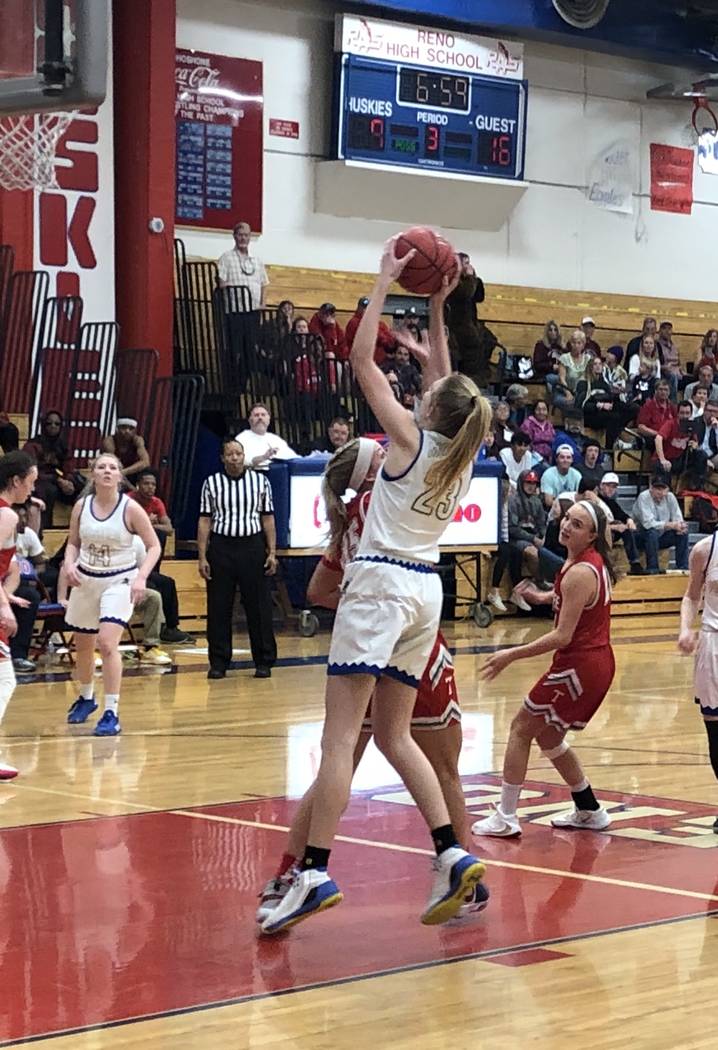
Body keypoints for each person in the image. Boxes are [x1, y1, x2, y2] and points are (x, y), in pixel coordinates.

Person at [262, 238, 490, 935]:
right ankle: (451, 851)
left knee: (338, 743)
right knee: (395, 736)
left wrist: (384, 285)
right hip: (427, 592)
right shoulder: (459, 451)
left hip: (382, 582)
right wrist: (438, 312)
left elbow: (361, 362)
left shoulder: (410, 441)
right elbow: (450, 388)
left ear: (429, 410)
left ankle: (313, 871)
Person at [258, 438, 489, 927]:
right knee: (440, 764)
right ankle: (459, 865)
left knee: (338, 759)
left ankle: (290, 872)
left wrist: (364, 606)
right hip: (417, 633)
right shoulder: (392, 495)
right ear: (370, 472)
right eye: (380, 455)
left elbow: (319, 590)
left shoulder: (349, 526)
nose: (391, 455)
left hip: (372, 629)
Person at [472, 500, 616, 837]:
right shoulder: (585, 564)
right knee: (549, 736)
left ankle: (506, 816)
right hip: (592, 662)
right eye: (567, 519)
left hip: (580, 664)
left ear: (592, 535)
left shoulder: (580, 571)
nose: (567, 526)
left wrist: (511, 654)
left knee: (520, 728)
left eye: (577, 524)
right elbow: (572, 602)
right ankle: (589, 807)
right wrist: (541, 597)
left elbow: (562, 635)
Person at [61, 453, 161, 736]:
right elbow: (73, 543)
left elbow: (154, 546)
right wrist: (69, 564)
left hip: (120, 579)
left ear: (120, 475)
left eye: (113, 467)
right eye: (101, 467)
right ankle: (87, 696)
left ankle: (111, 712)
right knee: (82, 646)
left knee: (107, 643)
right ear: (93, 473)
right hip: (86, 579)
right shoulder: (81, 506)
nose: (107, 471)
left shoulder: (130, 508)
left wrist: (141, 578)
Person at [198, 438, 277, 680]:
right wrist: (202, 555)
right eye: (230, 454)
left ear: (244, 456)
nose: (234, 458)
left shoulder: (260, 481)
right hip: (221, 547)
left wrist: (272, 551)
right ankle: (219, 662)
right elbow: (204, 521)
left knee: (259, 605)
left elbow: (268, 519)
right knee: (219, 606)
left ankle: (263, 660)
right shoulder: (211, 483)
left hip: (252, 546)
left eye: (238, 453)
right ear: (222, 458)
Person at [0, 453, 38, 778]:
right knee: (5, 678)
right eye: (31, 481)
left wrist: (6, 593)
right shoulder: (7, 516)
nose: (33, 488)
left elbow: (8, 567)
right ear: (16, 481)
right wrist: (3, 607)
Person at [678, 533, 718, 831]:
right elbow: (692, 596)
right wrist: (685, 629)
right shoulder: (705, 549)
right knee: (715, 733)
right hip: (713, 644)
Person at [23, 410, 83, 528]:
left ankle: (80, 528)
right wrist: (58, 480)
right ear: (43, 425)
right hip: (40, 481)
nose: (53, 427)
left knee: (83, 486)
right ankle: (44, 529)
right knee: (48, 490)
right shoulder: (33, 445)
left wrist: (68, 481)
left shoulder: (63, 445)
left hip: (61, 483)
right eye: (49, 424)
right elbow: (31, 471)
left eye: (57, 424)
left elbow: (69, 466)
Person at [631, 475, 689, 574]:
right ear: (651, 488)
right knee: (651, 533)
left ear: (667, 489)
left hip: (660, 537)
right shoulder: (643, 497)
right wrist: (671, 525)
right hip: (641, 537)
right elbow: (648, 524)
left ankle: (682, 567)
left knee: (683, 533)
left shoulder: (670, 497)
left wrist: (680, 526)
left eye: (663, 489)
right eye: (657, 488)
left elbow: (677, 518)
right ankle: (653, 568)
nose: (660, 492)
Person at [598, 472, 644, 575]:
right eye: (608, 486)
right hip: (599, 531)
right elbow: (596, 523)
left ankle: (635, 562)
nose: (611, 489)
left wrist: (629, 520)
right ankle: (633, 562)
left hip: (610, 530)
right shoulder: (597, 500)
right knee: (624, 528)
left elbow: (621, 514)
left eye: (614, 487)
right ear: (602, 485)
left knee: (629, 529)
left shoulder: (611, 502)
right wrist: (615, 527)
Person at [654, 400, 708, 489]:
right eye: (682, 413)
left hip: (681, 459)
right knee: (662, 467)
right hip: (667, 458)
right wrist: (663, 459)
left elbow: (695, 443)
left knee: (701, 455)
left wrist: (694, 445)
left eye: (687, 413)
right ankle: (665, 492)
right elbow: (658, 439)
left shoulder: (692, 425)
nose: (685, 416)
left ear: (691, 414)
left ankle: (697, 487)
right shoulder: (671, 423)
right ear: (678, 414)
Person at [216, 220, 268, 309]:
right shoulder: (226, 257)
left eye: (246, 235)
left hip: (254, 309)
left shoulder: (257, 260)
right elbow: (221, 283)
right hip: (235, 310)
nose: (243, 238)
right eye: (240, 235)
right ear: (234, 236)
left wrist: (263, 304)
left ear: (249, 237)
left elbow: (264, 284)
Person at [234, 403, 297, 470]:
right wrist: (264, 457)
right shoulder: (241, 438)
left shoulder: (276, 439)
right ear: (250, 420)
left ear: (268, 419)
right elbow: (242, 462)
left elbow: (293, 458)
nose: (260, 418)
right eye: (256, 415)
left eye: (263, 415)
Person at [128, 469, 173, 550]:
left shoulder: (157, 502)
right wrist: (147, 522)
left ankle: (155, 562)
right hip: (129, 539)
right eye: (146, 483)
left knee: (160, 534)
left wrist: (149, 525)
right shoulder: (128, 499)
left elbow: (169, 529)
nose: (150, 487)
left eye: (153, 484)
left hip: (146, 539)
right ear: (138, 485)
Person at [345, 296, 397, 364]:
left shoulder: (381, 324)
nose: (366, 310)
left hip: (380, 363)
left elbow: (390, 342)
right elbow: (367, 336)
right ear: (359, 308)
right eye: (364, 307)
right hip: (361, 362)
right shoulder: (354, 322)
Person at [553, 330, 591, 414]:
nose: (576, 345)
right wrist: (568, 393)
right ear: (570, 344)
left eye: (579, 343)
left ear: (583, 345)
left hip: (584, 393)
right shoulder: (564, 358)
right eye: (574, 343)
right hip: (568, 390)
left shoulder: (588, 359)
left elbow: (590, 378)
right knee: (572, 404)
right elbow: (562, 378)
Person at [636, 379, 676, 450]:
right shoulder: (648, 406)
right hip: (653, 438)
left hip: (668, 438)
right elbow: (641, 428)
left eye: (666, 390)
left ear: (669, 392)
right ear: (655, 391)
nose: (663, 392)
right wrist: (658, 434)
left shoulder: (672, 407)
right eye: (661, 389)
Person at [533, 320, 563, 395]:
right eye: (550, 330)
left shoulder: (562, 347)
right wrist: (551, 366)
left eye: (555, 330)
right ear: (547, 332)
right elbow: (537, 365)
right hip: (546, 374)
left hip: (561, 373)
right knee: (556, 379)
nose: (553, 332)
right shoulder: (541, 346)